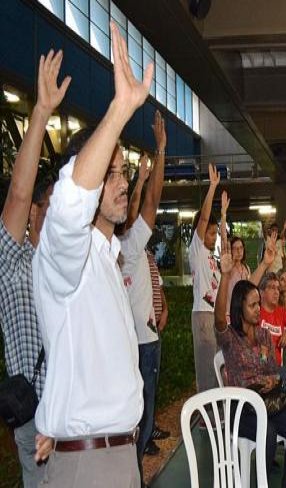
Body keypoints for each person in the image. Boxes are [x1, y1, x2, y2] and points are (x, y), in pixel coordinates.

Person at [32, 24, 151, 486]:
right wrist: (119, 110)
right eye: (111, 172)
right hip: (89, 465)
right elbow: (66, 207)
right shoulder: (67, 255)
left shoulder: (106, 256)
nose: (122, 183)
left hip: (115, 456)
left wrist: (56, 416)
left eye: (124, 171)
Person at [0, 49, 69, 486]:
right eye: (40, 207)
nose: (44, 213)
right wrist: (41, 112)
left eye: (52, 207)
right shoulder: (12, 261)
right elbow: (18, 196)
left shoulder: (65, 264)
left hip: (72, 413)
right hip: (34, 417)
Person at [214, 240, 286, 488]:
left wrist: (274, 379)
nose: (258, 310)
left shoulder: (263, 334)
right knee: (269, 433)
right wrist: (224, 277)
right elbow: (219, 317)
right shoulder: (230, 338)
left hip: (267, 403)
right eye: (252, 305)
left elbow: (273, 369)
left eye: (257, 304)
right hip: (243, 410)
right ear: (239, 307)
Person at [118, 110, 166, 477]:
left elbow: (146, 204)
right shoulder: (115, 250)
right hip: (133, 348)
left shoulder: (129, 247)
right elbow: (144, 205)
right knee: (137, 420)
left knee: (141, 419)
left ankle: (134, 475)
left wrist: (158, 156)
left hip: (144, 342)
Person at [189, 163, 221, 394]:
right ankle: (206, 417)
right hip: (202, 315)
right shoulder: (197, 250)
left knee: (216, 366)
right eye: (211, 233)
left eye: (216, 233)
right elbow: (202, 220)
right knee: (207, 367)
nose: (214, 237)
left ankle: (217, 412)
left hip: (214, 316)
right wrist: (212, 188)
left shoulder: (211, 257)